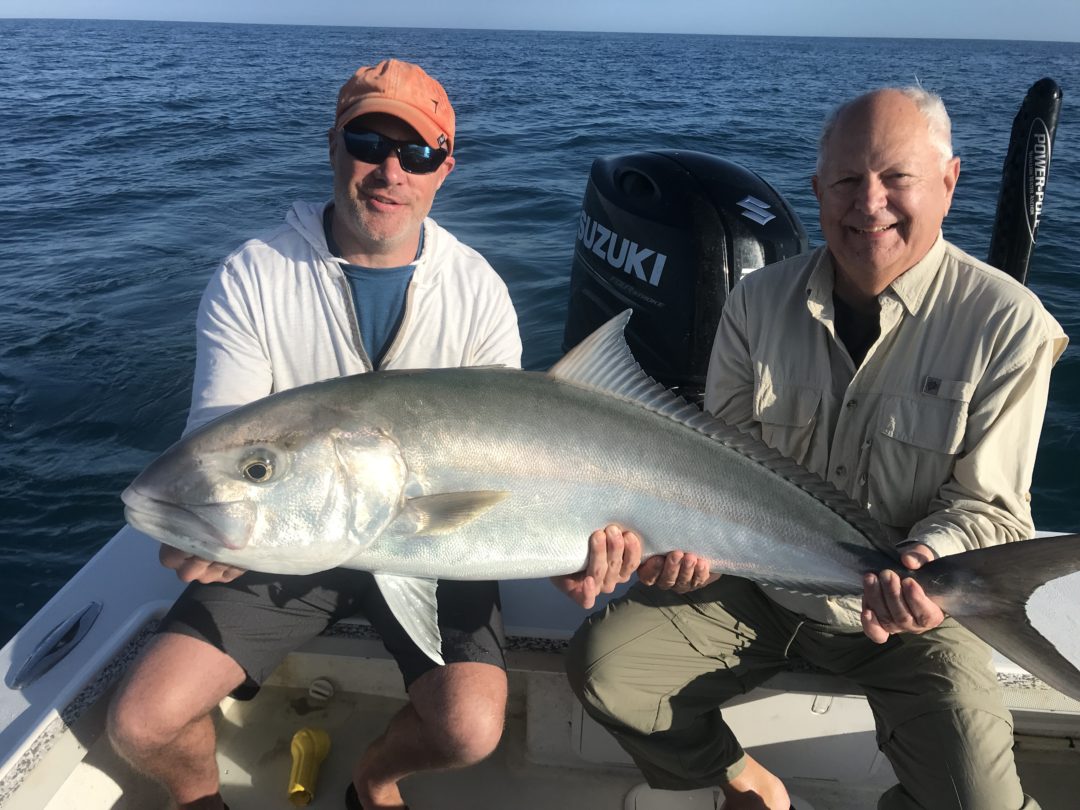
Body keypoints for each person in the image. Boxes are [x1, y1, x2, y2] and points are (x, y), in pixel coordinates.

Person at [563, 87, 1069, 810]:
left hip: (916, 614)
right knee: (606, 668)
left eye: (897, 177)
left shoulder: (1008, 324)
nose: (869, 203)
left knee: (979, 801)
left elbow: (988, 507)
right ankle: (741, 779)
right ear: (817, 190)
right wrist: (676, 547)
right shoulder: (755, 302)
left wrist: (923, 565)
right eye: (845, 181)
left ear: (950, 183)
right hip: (761, 589)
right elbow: (714, 471)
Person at [107, 59, 522, 810]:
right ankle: (201, 798)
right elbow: (221, 440)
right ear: (333, 144)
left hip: (433, 536)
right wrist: (207, 524)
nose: (390, 170)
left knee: (469, 729)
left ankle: (375, 778)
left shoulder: (479, 292)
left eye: (418, 153)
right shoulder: (255, 276)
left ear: (443, 169)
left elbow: (510, 469)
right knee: (142, 722)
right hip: (288, 544)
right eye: (369, 141)